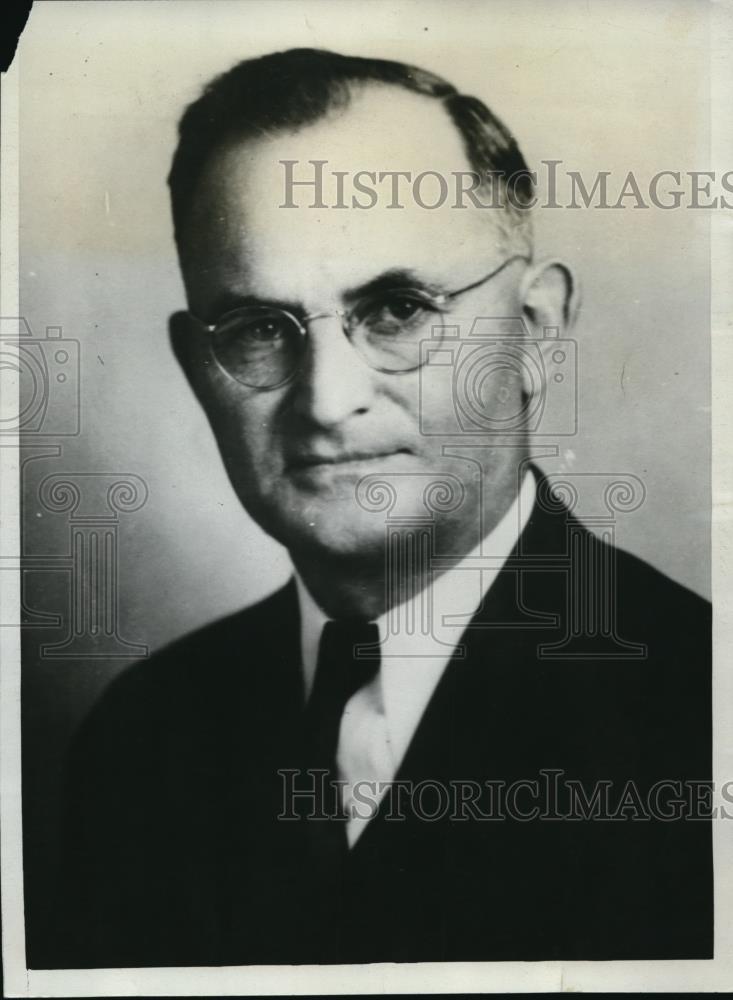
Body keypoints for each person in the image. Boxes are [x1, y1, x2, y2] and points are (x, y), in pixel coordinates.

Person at [44, 48, 711, 967]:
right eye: (257, 330)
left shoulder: (699, 715)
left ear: (532, 334)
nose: (327, 400)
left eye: (396, 310)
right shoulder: (140, 740)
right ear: (201, 372)